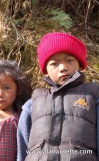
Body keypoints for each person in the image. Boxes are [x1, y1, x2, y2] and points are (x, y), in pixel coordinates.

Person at [17, 32, 99, 161]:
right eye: (54, 64)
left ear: (80, 64)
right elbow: (23, 144)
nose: (63, 68)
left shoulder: (92, 96)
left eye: (69, 60)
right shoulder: (34, 103)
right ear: (45, 69)